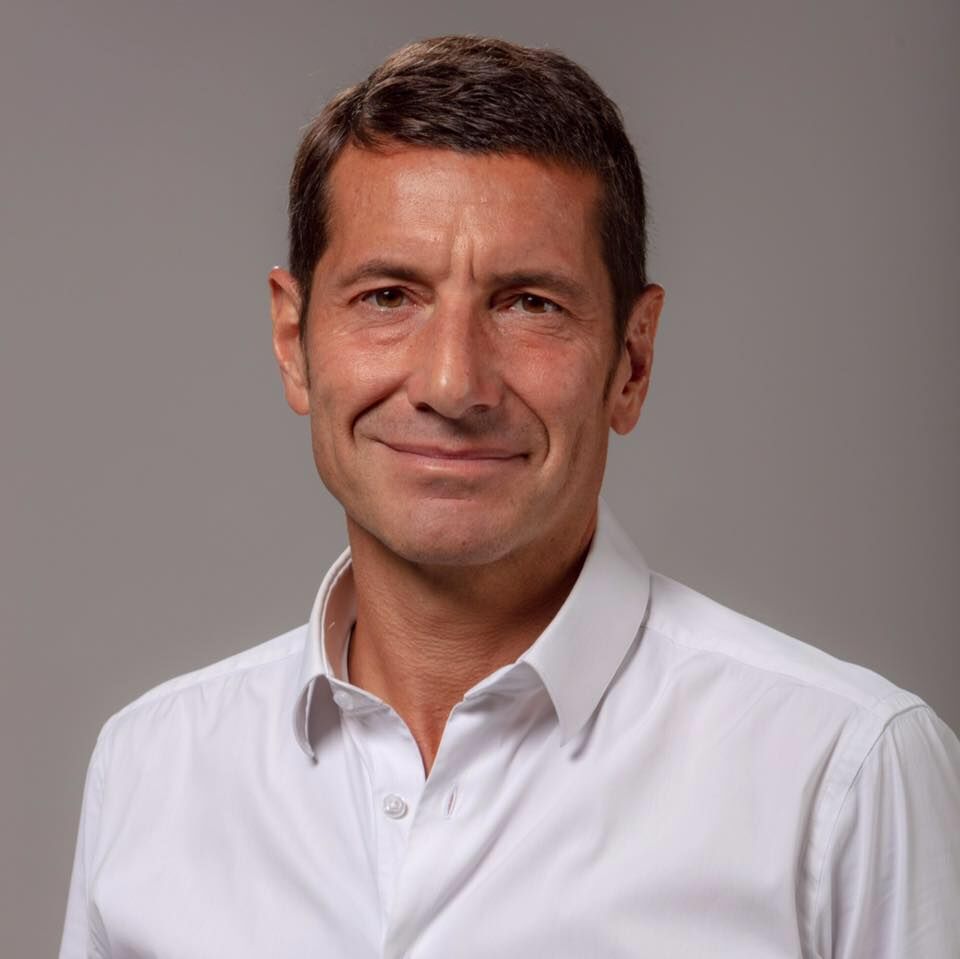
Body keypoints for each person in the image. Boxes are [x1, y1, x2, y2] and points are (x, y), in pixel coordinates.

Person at [59, 35, 960, 958]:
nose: (453, 385)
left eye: (529, 302)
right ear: (294, 341)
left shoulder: (842, 777)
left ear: (632, 361)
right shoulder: (150, 768)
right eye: (388, 296)